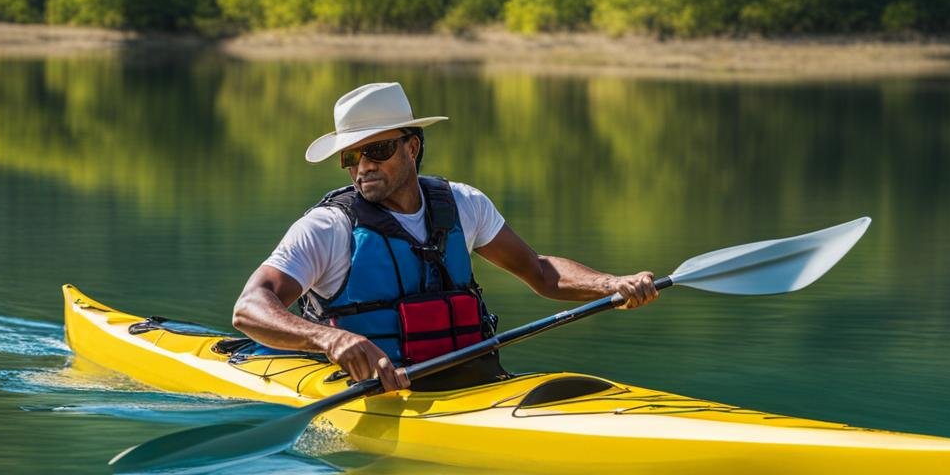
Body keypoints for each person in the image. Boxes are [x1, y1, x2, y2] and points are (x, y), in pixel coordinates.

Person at [233, 82, 658, 391]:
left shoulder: (463, 204)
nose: (362, 167)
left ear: (412, 148)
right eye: (351, 156)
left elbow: (542, 273)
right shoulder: (329, 227)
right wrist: (330, 338)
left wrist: (609, 285)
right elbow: (250, 308)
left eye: (376, 151)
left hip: (474, 384)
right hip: (375, 393)